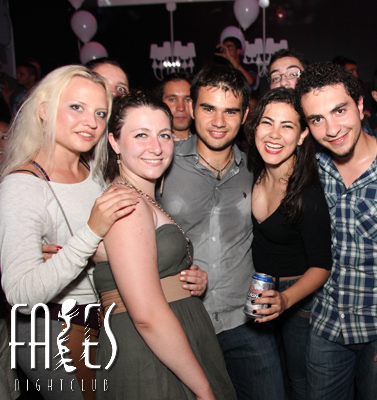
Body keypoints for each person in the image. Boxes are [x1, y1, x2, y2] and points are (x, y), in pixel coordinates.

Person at [0, 65, 138, 400]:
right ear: (44, 110)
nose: (91, 122)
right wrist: (90, 233)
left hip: (107, 322)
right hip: (58, 332)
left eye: (100, 113)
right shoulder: (22, 186)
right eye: (76, 107)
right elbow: (20, 296)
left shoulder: (94, 172)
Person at [296, 62, 377, 400]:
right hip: (327, 323)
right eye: (317, 119)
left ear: (360, 105)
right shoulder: (310, 167)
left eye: (339, 110)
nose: (332, 129)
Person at [93, 91, 235, 400]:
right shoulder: (126, 204)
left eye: (164, 135)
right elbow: (146, 315)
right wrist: (203, 390)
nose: (156, 147)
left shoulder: (145, 197)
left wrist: (185, 279)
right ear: (114, 142)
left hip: (175, 341)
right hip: (149, 353)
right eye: (141, 135)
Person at [157, 64, 286, 400]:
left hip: (245, 320)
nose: (218, 121)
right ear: (191, 108)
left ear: (245, 115)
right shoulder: (162, 163)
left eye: (230, 111)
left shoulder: (258, 168)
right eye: (208, 108)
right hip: (183, 321)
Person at [245, 87, 332, 399]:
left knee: (300, 384)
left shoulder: (307, 193)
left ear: (303, 134)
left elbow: (322, 266)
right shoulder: (251, 170)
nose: (274, 134)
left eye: (287, 126)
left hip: (298, 299)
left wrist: (285, 299)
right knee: (268, 381)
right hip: (259, 290)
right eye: (267, 123)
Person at [156, 72, 194, 141]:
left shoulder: (207, 144)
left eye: (187, 100)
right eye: (172, 99)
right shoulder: (153, 145)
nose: (181, 108)